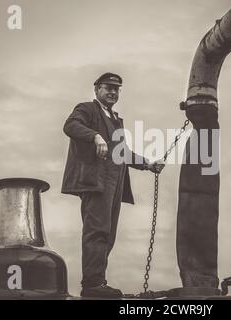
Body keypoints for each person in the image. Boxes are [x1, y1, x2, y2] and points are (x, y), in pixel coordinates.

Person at [61, 72, 164, 298]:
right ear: (97, 89)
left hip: (115, 184)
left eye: (116, 89)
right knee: (96, 231)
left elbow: (122, 152)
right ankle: (92, 285)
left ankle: (98, 281)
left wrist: (148, 164)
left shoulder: (116, 119)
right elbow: (70, 126)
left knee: (108, 234)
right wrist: (95, 136)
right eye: (108, 87)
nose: (112, 92)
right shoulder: (87, 109)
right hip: (96, 182)